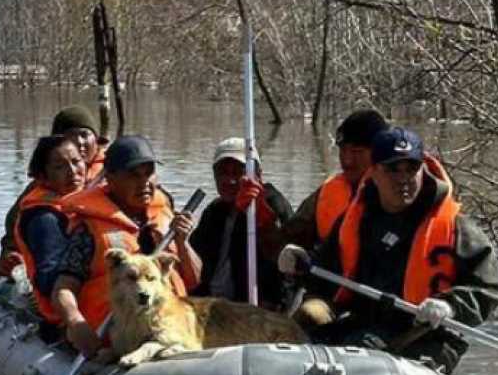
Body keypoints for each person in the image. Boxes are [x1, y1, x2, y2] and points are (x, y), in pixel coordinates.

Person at [279, 127, 498, 374]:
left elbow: (488, 289)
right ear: (374, 172)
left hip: (427, 336)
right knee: (297, 342)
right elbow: (328, 275)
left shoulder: (455, 227)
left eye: (411, 168)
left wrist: (450, 306)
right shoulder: (356, 220)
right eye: (393, 169)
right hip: (366, 327)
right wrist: (303, 265)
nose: (403, 178)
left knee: (365, 358)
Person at [53, 134, 201, 357]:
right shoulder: (89, 229)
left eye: (149, 173)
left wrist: (182, 242)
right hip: (111, 340)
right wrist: (76, 322)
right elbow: (63, 288)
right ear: (110, 179)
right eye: (133, 175)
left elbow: (194, 279)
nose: (144, 182)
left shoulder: (165, 216)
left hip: (166, 335)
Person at [0, 106, 109, 273]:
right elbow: (14, 226)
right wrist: (10, 253)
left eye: (85, 135)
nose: (79, 142)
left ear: (96, 139)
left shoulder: (115, 175)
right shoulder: (42, 189)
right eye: (71, 136)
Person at [187, 137, 293, 309]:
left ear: (258, 175)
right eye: (223, 172)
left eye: (238, 172)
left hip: (257, 305)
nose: (229, 180)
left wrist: (262, 218)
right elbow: (196, 261)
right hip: (211, 304)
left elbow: (286, 261)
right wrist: (180, 239)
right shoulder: (214, 211)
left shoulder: (271, 203)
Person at [277, 108, 389, 251]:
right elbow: (282, 245)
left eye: (357, 152)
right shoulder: (326, 195)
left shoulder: (401, 192)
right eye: (342, 150)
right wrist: (263, 222)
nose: (347, 161)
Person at [9, 135, 87, 330]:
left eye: (76, 161)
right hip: (67, 315)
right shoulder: (44, 218)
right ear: (43, 176)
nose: (72, 172)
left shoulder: (85, 202)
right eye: (60, 167)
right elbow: (49, 281)